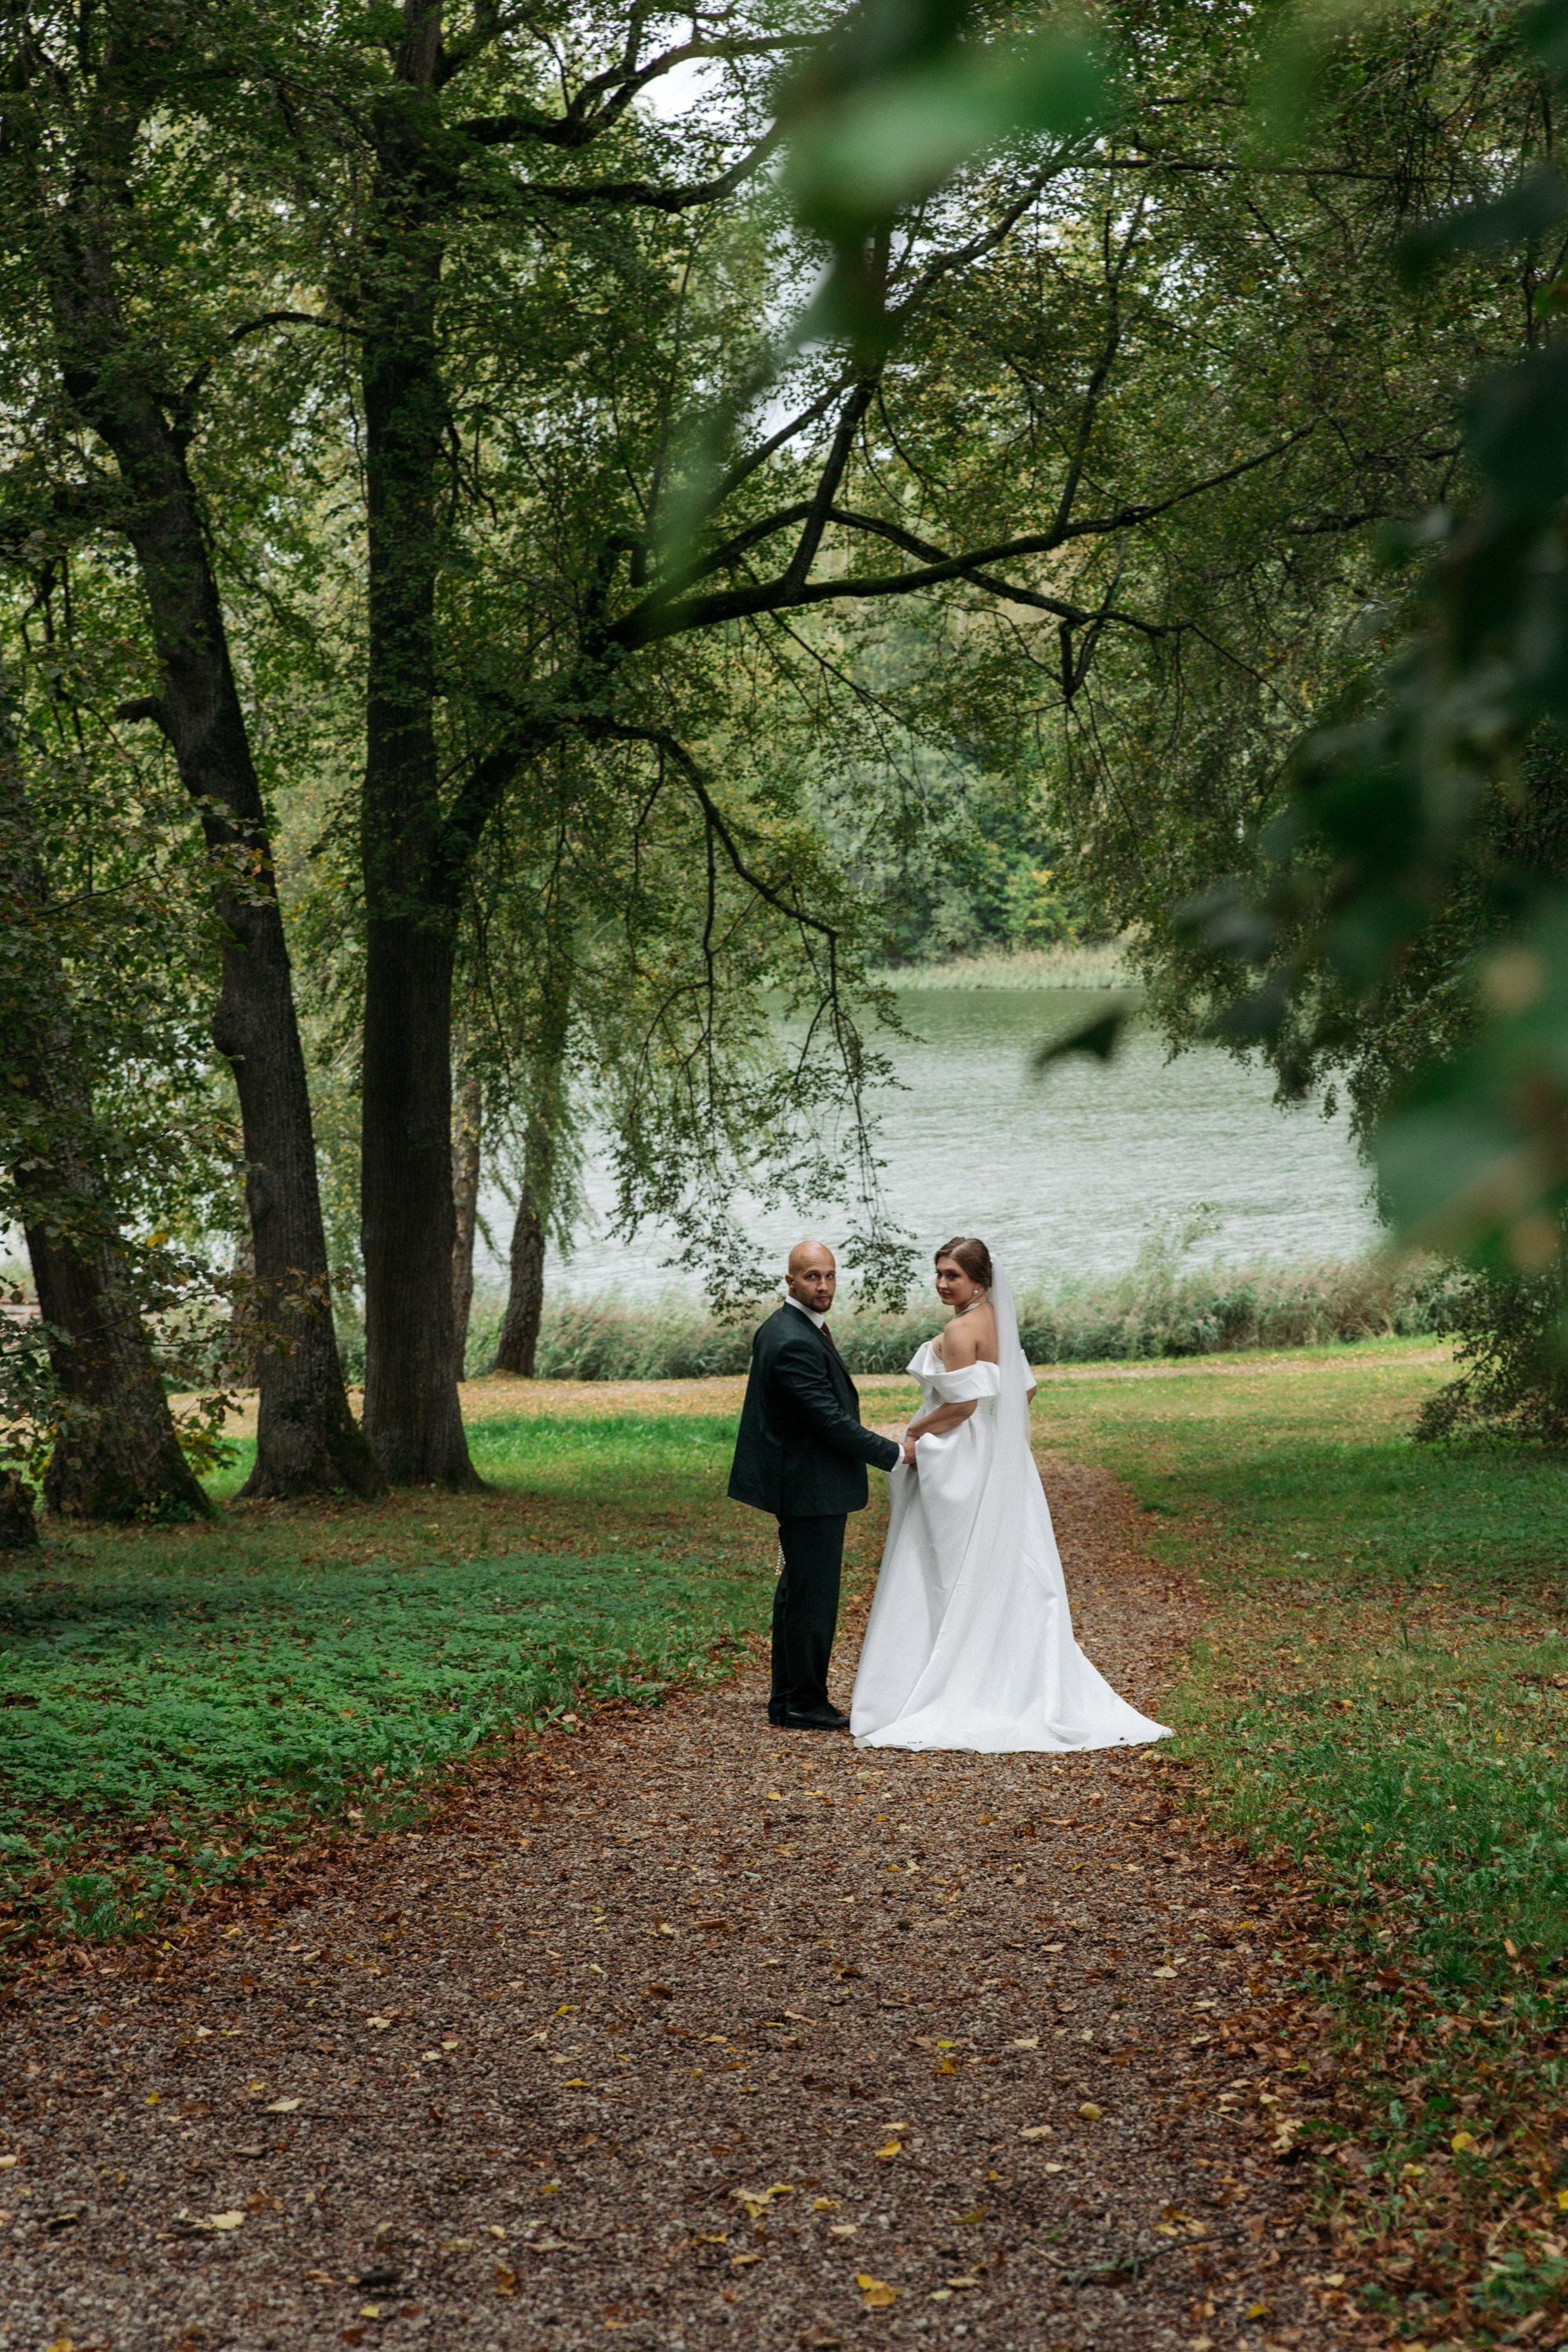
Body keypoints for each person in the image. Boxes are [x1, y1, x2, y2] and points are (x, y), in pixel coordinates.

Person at [851, 1236, 1170, 1753]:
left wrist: (914, 1434)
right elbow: (1023, 1391)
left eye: (952, 1275)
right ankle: (1014, 1672)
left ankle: (959, 1673)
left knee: (952, 1565)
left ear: (979, 1280)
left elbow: (962, 1409)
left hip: (965, 1458)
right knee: (1012, 1560)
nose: (941, 1283)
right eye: (938, 1273)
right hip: (1002, 1459)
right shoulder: (1002, 1322)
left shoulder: (960, 1330)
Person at [728, 1240, 912, 1731]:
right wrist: (895, 1454)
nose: (823, 1285)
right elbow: (828, 1420)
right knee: (812, 1595)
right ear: (790, 1281)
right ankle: (802, 1702)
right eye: (812, 1277)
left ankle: (790, 1699)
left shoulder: (791, 1327)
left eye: (829, 1276)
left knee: (798, 1590)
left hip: (804, 1483)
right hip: (809, 1488)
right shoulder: (789, 1338)